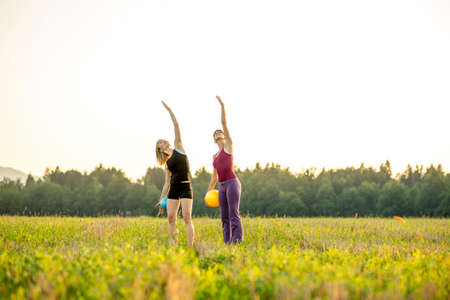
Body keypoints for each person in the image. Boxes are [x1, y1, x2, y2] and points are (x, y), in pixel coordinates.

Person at [156, 101, 195, 247]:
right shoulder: (166, 163)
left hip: (186, 187)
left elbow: (176, 126)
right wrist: (161, 200)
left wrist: (169, 110)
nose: (163, 141)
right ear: (159, 149)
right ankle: (174, 246)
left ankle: (191, 247)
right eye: (160, 142)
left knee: (186, 217)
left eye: (163, 140)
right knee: (171, 219)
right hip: (173, 189)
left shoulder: (178, 146)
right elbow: (166, 183)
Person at [207, 96, 243, 244]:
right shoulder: (214, 156)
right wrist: (209, 190)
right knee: (224, 217)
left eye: (219, 132)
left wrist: (222, 105)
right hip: (221, 186)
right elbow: (214, 176)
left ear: (223, 135)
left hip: (232, 183)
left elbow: (224, 123)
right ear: (213, 139)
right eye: (214, 133)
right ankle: (227, 243)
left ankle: (237, 242)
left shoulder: (229, 145)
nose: (217, 134)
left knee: (233, 213)